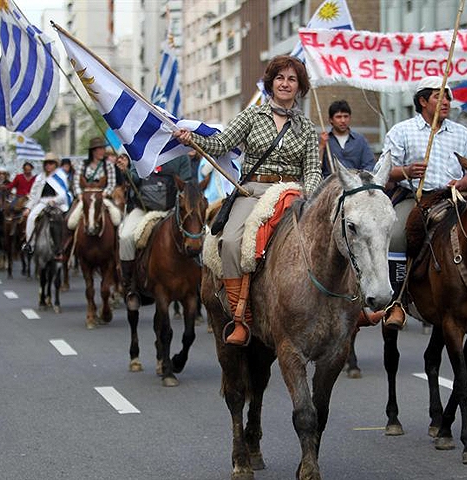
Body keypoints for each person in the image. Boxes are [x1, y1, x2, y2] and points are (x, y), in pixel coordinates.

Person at [174, 55, 322, 346]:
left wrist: (309, 195)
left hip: (292, 194)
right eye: (280, 78)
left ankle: (344, 309)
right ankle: (239, 317)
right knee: (230, 242)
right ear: (270, 83)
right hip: (252, 191)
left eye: (292, 79)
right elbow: (220, 144)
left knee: (327, 240)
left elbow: (313, 169)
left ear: (299, 86)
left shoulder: (306, 127)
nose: (285, 83)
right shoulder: (251, 116)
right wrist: (192, 139)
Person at [374, 75, 467, 328]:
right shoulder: (401, 131)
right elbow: (383, 169)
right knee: (399, 235)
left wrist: (464, 182)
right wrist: (407, 171)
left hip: (456, 199)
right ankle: (397, 303)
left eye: (447, 96)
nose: (446, 101)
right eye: (439, 96)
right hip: (417, 198)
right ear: (423, 101)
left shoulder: (462, 132)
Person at [118, 154, 192, 309]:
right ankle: (130, 285)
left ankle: (199, 283)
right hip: (143, 210)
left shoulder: (181, 155)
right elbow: (135, 179)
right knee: (125, 237)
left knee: (199, 236)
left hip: (172, 210)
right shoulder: (141, 150)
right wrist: (126, 171)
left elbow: (187, 184)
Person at [67, 137, 124, 231]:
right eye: (100, 149)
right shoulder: (82, 164)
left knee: (116, 219)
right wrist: (80, 195)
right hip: (85, 197)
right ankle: (69, 244)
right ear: (93, 151)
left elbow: (111, 184)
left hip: (102, 197)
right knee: (71, 223)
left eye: (103, 148)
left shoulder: (108, 165)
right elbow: (76, 182)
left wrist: (103, 194)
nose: (103, 151)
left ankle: (116, 242)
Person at [22, 152, 70, 254]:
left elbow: (63, 194)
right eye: (47, 163)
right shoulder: (40, 177)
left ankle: (66, 245)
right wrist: (28, 208)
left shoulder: (61, 175)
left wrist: (55, 200)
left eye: (51, 163)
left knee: (67, 221)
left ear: (55, 164)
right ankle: (30, 243)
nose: (48, 165)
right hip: (43, 202)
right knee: (31, 218)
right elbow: (34, 195)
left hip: (58, 203)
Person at [318, 100, 375, 176]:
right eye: (338, 117)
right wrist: (321, 146)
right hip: (331, 184)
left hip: (356, 184)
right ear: (331, 120)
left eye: (346, 116)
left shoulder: (360, 140)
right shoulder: (324, 141)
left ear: (350, 118)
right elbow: (316, 168)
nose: (343, 120)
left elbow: (369, 166)